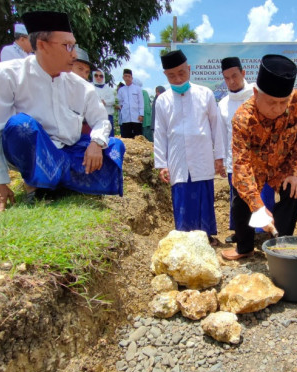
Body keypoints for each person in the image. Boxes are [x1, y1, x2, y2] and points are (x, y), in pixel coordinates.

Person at [0, 11, 126, 212]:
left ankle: (53, 183)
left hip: (67, 152)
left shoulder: (81, 87)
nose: (74, 54)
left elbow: (101, 120)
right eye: (67, 46)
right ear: (41, 45)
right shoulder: (8, 75)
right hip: (33, 151)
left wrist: (96, 143)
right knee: (21, 126)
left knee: (115, 147)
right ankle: (38, 185)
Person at [221, 54, 297, 260]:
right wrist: (257, 206)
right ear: (255, 93)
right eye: (271, 102)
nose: (278, 109)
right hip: (255, 168)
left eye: (282, 103)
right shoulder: (243, 118)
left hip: (283, 167)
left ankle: (281, 244)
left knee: (293, 191)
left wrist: (295, 172)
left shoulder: (296, 100)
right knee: (241, 200)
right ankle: (244, 248)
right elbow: (241, 166)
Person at [154, 49, 226, 243]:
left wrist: (219, 156)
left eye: (181, 73)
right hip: (177, 157)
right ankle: (184, 238)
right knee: (182, 195)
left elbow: (216, 126)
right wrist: (162, 163)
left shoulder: (205, 94)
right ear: (165, 75)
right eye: (171, 75)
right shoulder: (162, 100)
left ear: (189, 69)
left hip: (202, 154)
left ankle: (206, 236)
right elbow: (159, 133)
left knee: (203, 194)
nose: (177, 79)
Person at [218, 56, 275, 244]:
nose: (231, 81)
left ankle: (263, 232)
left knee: (262, 195)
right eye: (226, 78)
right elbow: (222, 134)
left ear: (243, 73)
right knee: (238, 200)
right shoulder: (223, 104)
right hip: (235, 161)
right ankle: (241, 233)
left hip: (259, 161)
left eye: (234, 76)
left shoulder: (257, 95)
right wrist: (221, 159)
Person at [117, 69, 144, 138]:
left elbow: (141, 102)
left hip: (136, 118)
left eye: (129, 76)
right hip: (125, 118)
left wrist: (141, 114)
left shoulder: (137, 89)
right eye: (126, 76)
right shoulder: (121, 90)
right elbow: (120, 102)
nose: (127, 78)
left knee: (138, 139)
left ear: (132, 78)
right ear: (123, 77)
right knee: (126, 139)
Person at [93, 69, 116, 137]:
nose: (98, 77)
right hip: (95, 116)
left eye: (101, 76)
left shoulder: (108, 88)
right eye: (96, 75)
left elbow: (112, 100)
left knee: (109, 136)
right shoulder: (90, 87)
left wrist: (104, 102)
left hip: (108, 115)